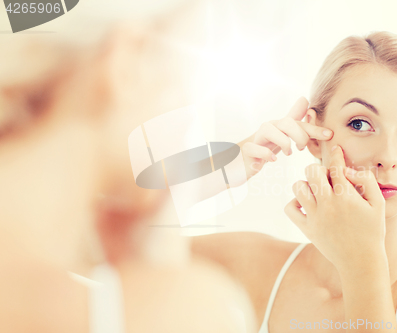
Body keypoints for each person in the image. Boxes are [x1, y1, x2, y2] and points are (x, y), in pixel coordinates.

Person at [189, 31, 397, 332]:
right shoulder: (254, 263)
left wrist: (360, 267)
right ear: (314, 137)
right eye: (360, 123)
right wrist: (221, 168)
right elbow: (140, 256)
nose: (388, 156)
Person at [0, 1, 256, 332]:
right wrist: (155, 286)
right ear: (128, 64)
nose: (190, 116)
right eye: (189, 81)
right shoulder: (191, 310)